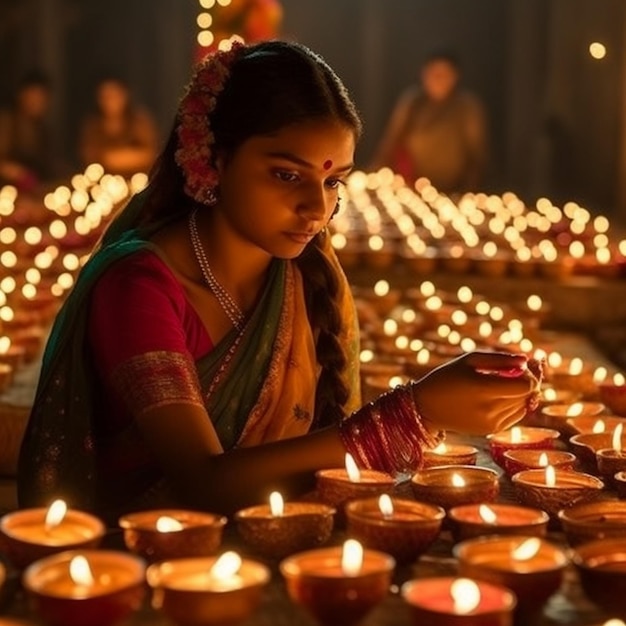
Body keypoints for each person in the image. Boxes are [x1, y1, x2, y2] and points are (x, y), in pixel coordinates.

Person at [18, 40, 539, 522]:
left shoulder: (305, 278)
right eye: (288, 175)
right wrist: (413, 412)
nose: (318, 207)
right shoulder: (138, 287)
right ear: (213, 160)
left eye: (333, 181)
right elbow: (202, 482)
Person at [369, 49, 488, 194]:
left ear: (455, 77)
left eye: (444, 75)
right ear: (423, 75)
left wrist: (469, 192)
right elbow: (391, 142)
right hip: (412, 188)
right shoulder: (412, 103)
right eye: (433, 74)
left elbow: (477, 156)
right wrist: (373, 178)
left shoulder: (467, 107)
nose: (438, 79)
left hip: (454, 191)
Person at [78, 75, 159, 177]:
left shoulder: (139, 121)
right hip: (102, 184)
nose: (111, 101)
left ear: (125, 95)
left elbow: (151, 154)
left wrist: (117, 158)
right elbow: (91, 157)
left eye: (115, 95)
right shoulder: (93, 125)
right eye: (105, 97)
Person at [0, 70, 54, 191]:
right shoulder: (7, 123)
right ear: (21, 95)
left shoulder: (42, 130)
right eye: (33, 96)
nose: (37, 102)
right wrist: (17, 173)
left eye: (42, 98)